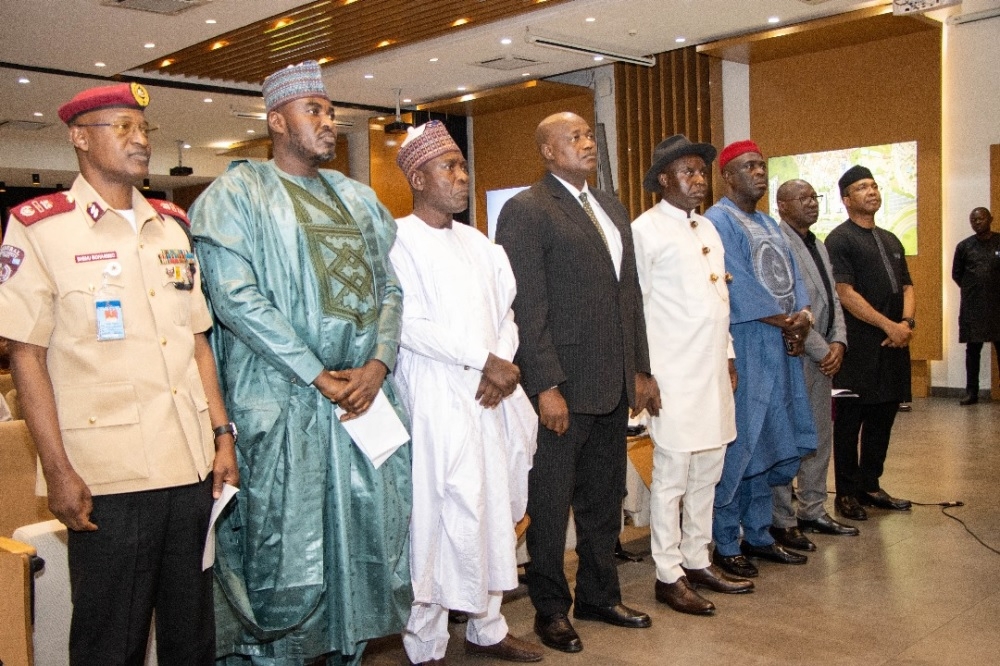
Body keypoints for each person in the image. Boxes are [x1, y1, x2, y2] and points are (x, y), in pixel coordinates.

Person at [0, 82, 238, 665]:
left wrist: (221, 434)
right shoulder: (40, 228)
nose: (140, 141)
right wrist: (57, 472)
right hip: (107, 477)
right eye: (122, 127)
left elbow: (197, 341)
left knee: (192, 634)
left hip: (188, 466)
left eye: (144, 129)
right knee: (111, 640)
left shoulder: (171, 226)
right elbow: (25, 354)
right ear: (79, 138)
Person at [189, 61, 412, 665]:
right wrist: (317, 373)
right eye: (313, 109)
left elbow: (389, 291)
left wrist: (377, 366)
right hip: (282, 402)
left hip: (362, 403)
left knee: (367, 540)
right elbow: (237, 301)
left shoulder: (359, 198)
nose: (328, 120)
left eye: (331, 110)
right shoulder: (235, 195)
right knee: (284, 553)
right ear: (276, 120)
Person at [496, 112, 659, 654]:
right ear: (546, 150)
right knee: (550, 502)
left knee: (603, 497)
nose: (587, 144)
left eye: (590, 135)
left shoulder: (612, 207)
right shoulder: (527, 210)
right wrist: (545, 385)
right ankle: (550, 608)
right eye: (575, 137)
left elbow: (628, 297)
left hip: (611, 384)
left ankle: (599, 594)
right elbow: (528, 306)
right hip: (561, 389)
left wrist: (639, 368)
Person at [390, 121, 543, 665]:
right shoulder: (398, 239)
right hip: (436, 398)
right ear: (418, 178)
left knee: (492, 509)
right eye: (449, 167)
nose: (462, 175)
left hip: (491, 396)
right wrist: (485, 361)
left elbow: (507, 313)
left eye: (461, 164)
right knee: (437, 513)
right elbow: (406, 324)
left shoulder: (479, 243)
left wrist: (499, 362)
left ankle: (488, 626)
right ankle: (425, 641)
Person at [631, 135, 754, 616]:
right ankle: (667, 573)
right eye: (688, 171)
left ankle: (697, 559)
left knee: (709, 468)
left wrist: (727, 355)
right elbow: (634, 307)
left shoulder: (708, 228)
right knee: (672, 476)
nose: (698, 178)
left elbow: (719, 300)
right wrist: (643, 373)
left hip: (711, 369)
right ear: (664, 179)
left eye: (702, 171)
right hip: (672, 372)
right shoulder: (646, 230)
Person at [704, 140, 817, 580]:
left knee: (771, 441)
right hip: (748, 343)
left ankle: (760, 533)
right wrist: (787, 322)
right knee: (743, 441)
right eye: (749, 166)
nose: (759, 173)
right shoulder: (717, 222)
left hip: (781, 342)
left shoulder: (769, 223)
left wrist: (802, 318)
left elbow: (795, 280)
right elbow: (736, 285)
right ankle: (726, 541)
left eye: (763, 166)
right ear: (728, 176)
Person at [772, 179, 859, 551]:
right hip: (793, 355)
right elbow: (787, 306)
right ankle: (782, 520)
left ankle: (813, 509)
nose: (812, 203)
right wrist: (822, 349)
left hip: (823, 354)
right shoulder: (776, 244)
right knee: (789, 439)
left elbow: (834, 301)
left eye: (814, 197)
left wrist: (839, 340)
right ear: (782, 205)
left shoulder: (819, 244)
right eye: (802, 198)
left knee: (821, 437)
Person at [826, 165, 915, 521]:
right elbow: (845, 293)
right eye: (863, 187)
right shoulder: (839, 240)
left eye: (875, 185)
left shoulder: (891, 238)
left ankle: (870, 485)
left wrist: (906, 324)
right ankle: (846, 493)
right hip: (858, 348)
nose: (872, 191)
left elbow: (907, 285)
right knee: (850, 422)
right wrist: (887, 325)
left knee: (883, 418)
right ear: (847, 199)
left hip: (894, 345)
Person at [951, 207, 1000, 405]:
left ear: (991, 219)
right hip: (973, 306)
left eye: (980, 218)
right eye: (973, 219)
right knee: (973, 351)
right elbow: (957, 274)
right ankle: (972, 392)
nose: (977, 222)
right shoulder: (964, 247)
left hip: (997, 306)